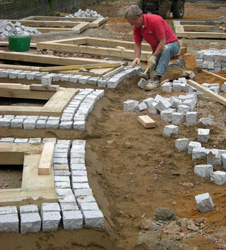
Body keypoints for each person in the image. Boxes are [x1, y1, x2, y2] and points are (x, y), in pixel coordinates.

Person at [125, 5, 187, 91]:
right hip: (158, 49)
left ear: (137, 17)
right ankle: (178, 64)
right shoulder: (137, 27)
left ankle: (157, 80)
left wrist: (154, 56)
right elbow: (138, 44)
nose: (131, 24)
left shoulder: (155, 21)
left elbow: (163, 41)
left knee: (165, 49)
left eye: (131, 22)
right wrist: (136, 57)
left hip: (172, 45)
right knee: (153, 72)